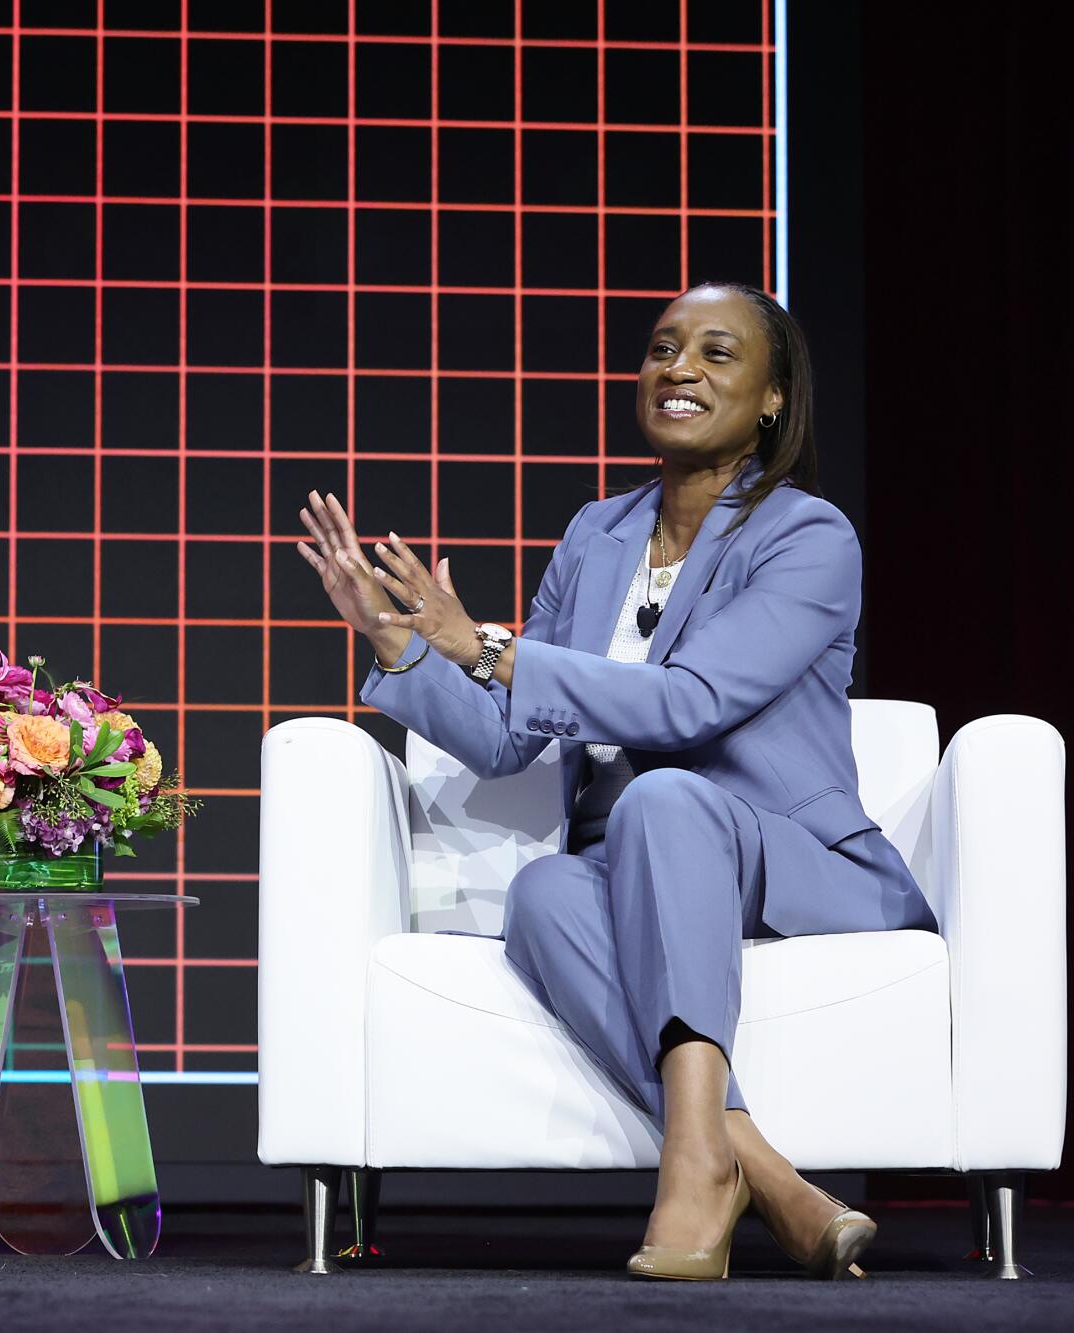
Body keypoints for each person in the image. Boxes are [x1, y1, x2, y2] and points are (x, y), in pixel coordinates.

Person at [297, 282, 933, 1282]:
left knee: (661, 793)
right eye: (660, 348)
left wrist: (491, 647)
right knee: (546, 889)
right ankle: (755, 1166)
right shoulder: (596, 534)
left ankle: (692, 1167)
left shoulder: (806, 537)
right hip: (635, 862)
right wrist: (403, 646)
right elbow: (512, 740)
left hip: (790, 859)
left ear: (772, 398)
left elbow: (687, 704)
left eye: (715, 354)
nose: (675, 368)